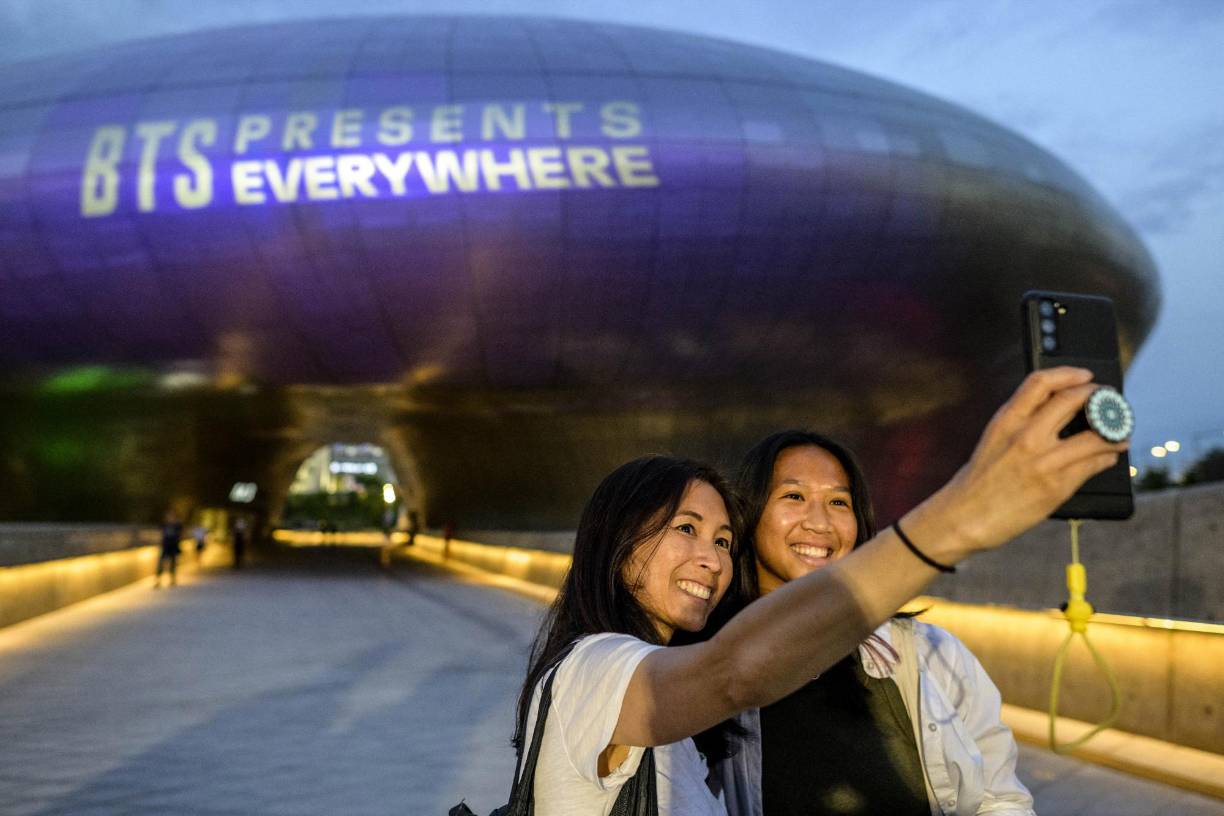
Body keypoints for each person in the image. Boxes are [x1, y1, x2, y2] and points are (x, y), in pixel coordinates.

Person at [512, 368, 1123, 815]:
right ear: (616, 539)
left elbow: (999, 797)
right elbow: (735, 674)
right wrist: (956, 520)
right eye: (686, 529)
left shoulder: (927, 655)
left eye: (724, 540)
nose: (709, 557)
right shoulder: (598, 668)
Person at [711, 430, 1035, 815]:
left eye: (838, 501)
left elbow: (999, 800)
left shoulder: (931, 655)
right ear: (749, 513)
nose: (820, 522)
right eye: (794, 496)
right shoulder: (704, 669)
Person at [155, 511, 183, 588]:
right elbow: (159, 532)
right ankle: (158, 580)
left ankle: (172, 579)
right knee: (161, 563)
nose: (170, 518)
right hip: (165, 546)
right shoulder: (164, 525)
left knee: (173, 563)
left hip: (173, 546)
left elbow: (180, 533)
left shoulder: (177, 525)